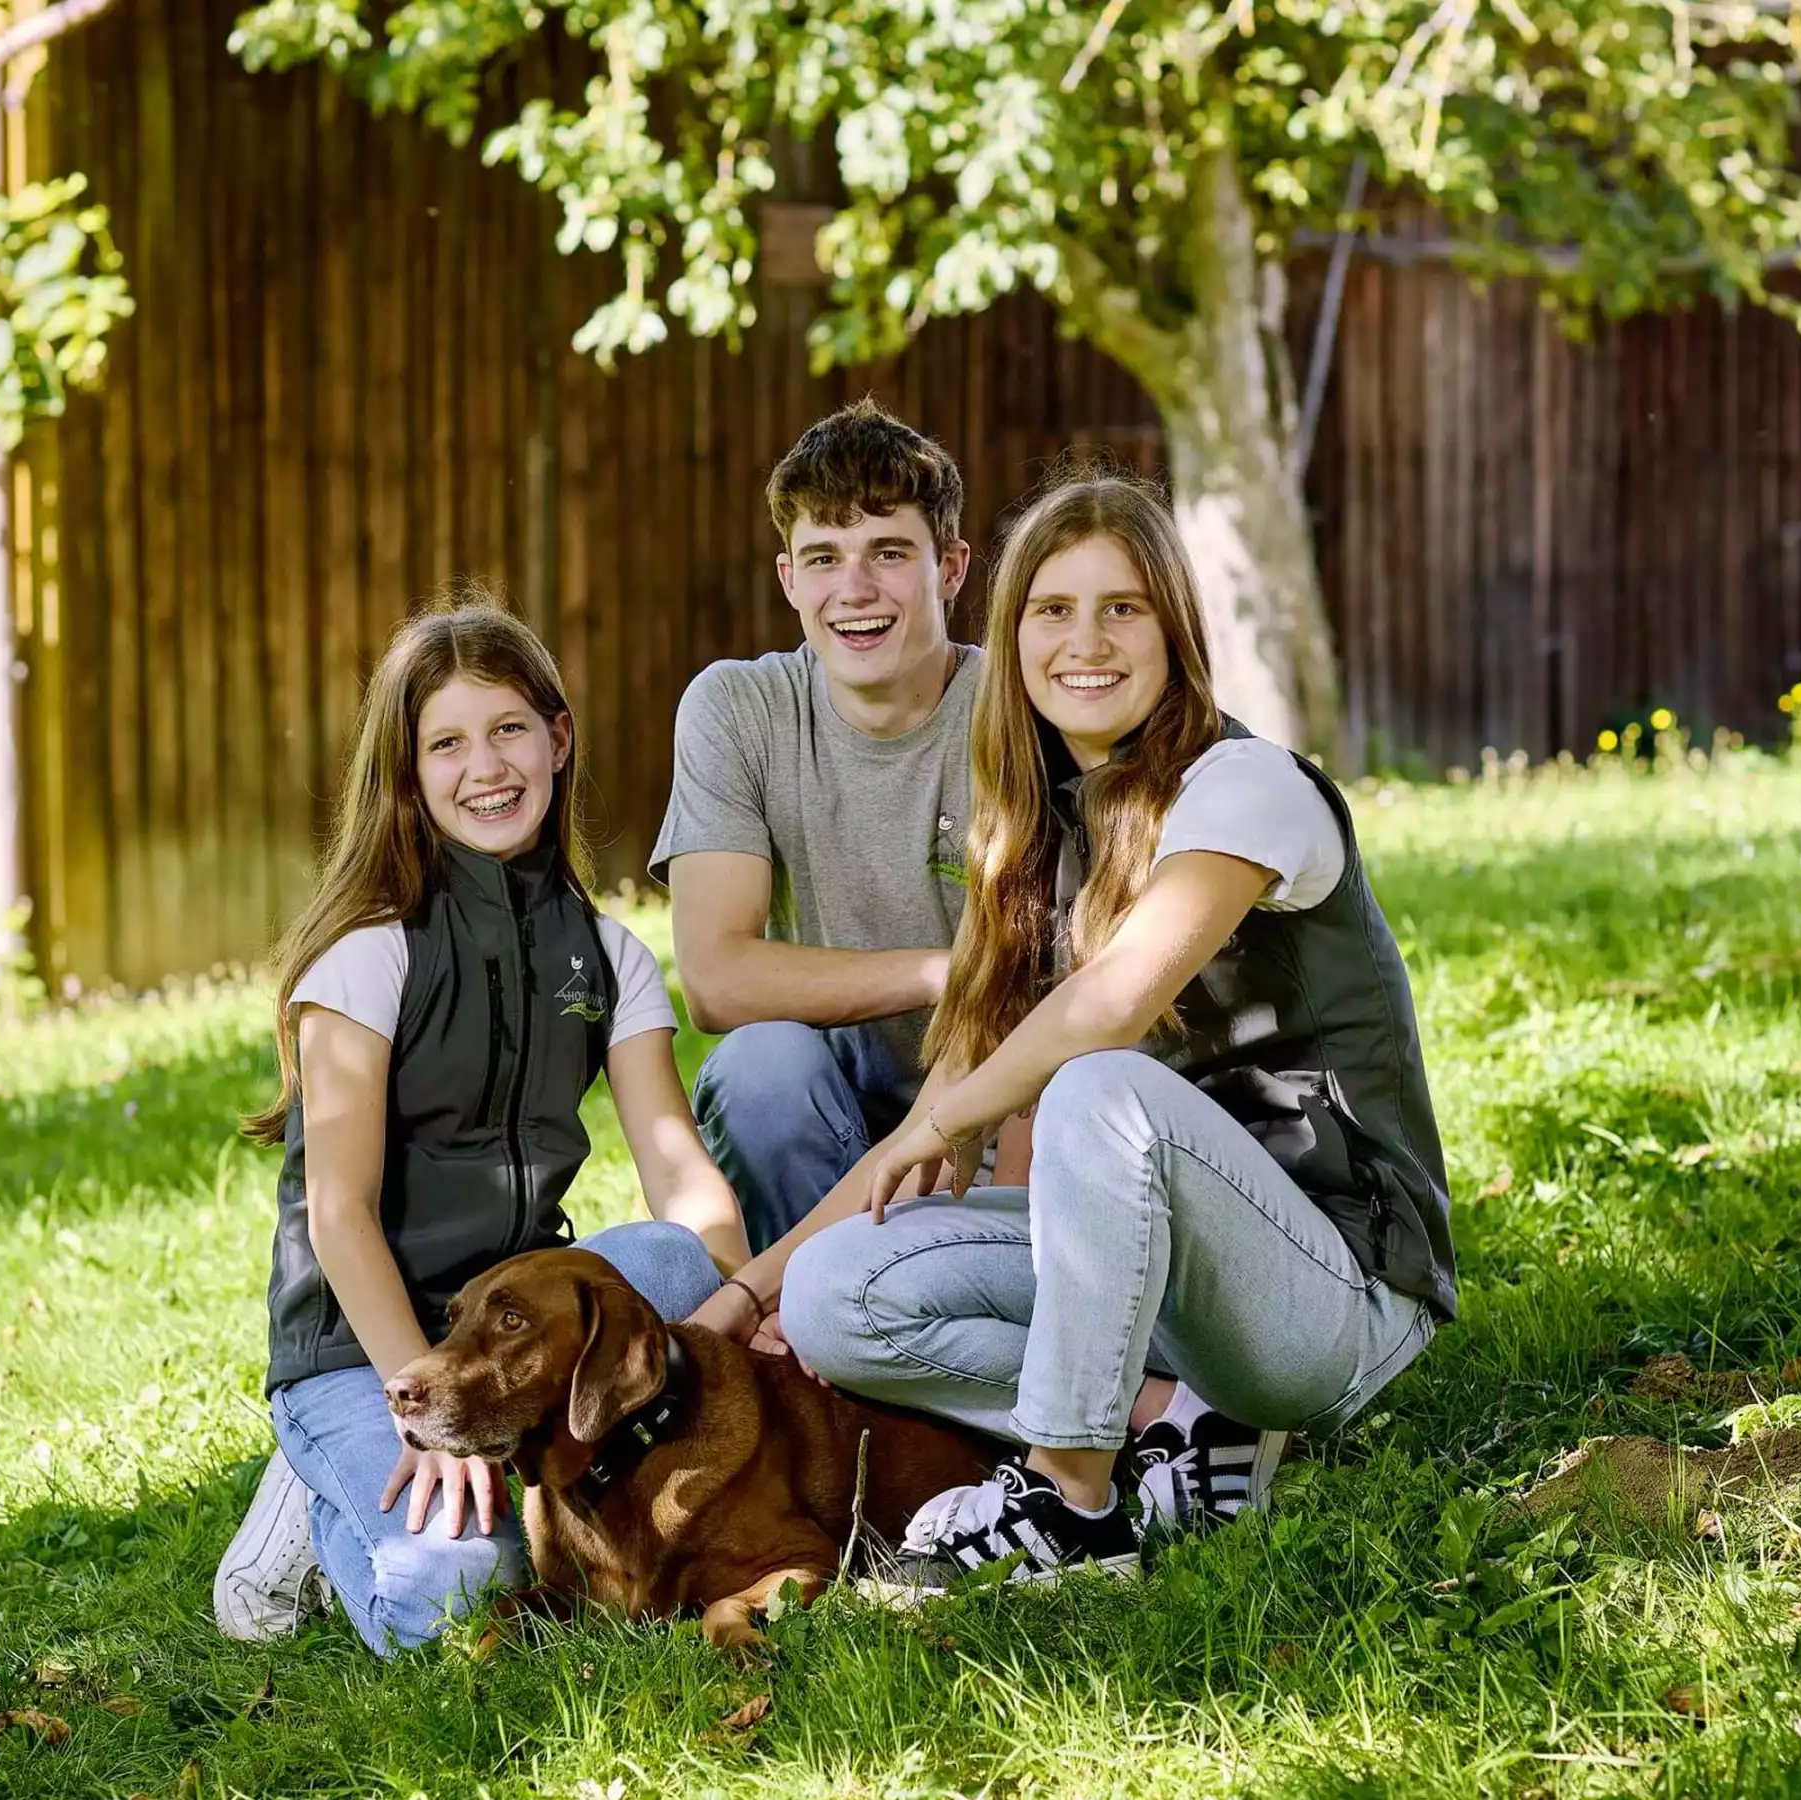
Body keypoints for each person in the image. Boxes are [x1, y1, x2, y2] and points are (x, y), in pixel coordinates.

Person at [687, 474, 1456, 1587]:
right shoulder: (1044, 838)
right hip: (1170, 1290)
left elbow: (1111, 1004)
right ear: (1014, 636)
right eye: (1053, 611)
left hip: (1332, 1293)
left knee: (1101, 1087)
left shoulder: (1245, 788)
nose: (1084, 642)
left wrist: (938, 1117)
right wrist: (744, 1298)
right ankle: (1183, 1432)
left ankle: (1069, 1498)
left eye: (1122, 608)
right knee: (836, 1295)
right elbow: (945, 1101)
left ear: (1175, 631)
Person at [212, 601, 753, 1652]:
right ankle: (306, 1509)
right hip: (365, 1348)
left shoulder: (607, 956)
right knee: (458, 1592)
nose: (485, 766)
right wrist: (424, 1403)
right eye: (446, 743)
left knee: (678, 1264)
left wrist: (746, 1299)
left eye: (508, 728)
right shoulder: (367, 958)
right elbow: (340, 1218)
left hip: (508, 1331)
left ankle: (493, 1450)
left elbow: (682, 1179)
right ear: (407, 777)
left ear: (558, 737)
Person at [653, 399, 1002, 1254]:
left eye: (889, 552)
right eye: (824, 558)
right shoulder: (739, 708)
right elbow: (715, 981)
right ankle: (808, 1326)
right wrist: (936, 972)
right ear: (788, 580)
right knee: (757, 1068)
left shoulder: (1016, 710)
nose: (855, 590)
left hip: (997, 1113)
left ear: (950, 568)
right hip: (821, 1115)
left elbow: (1040, 988)